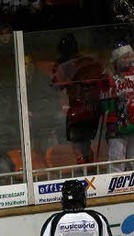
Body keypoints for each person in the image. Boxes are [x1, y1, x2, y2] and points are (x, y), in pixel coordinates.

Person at [52, 33, 107, 164]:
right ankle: (88, 167)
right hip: (94, 109)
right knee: (83, 143)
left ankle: (86, 169)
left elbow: (56, 85)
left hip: (80, 110)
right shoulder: (88, 61)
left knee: (79, 142)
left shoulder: (63, 65)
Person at [102, 42, 134, 172]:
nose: (129, 60)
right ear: (116, 60)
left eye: (130, 57)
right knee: (117, 162)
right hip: (118, 126)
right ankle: (117, 189)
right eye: (125, 57)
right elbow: (104, 102)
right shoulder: (109, 75)